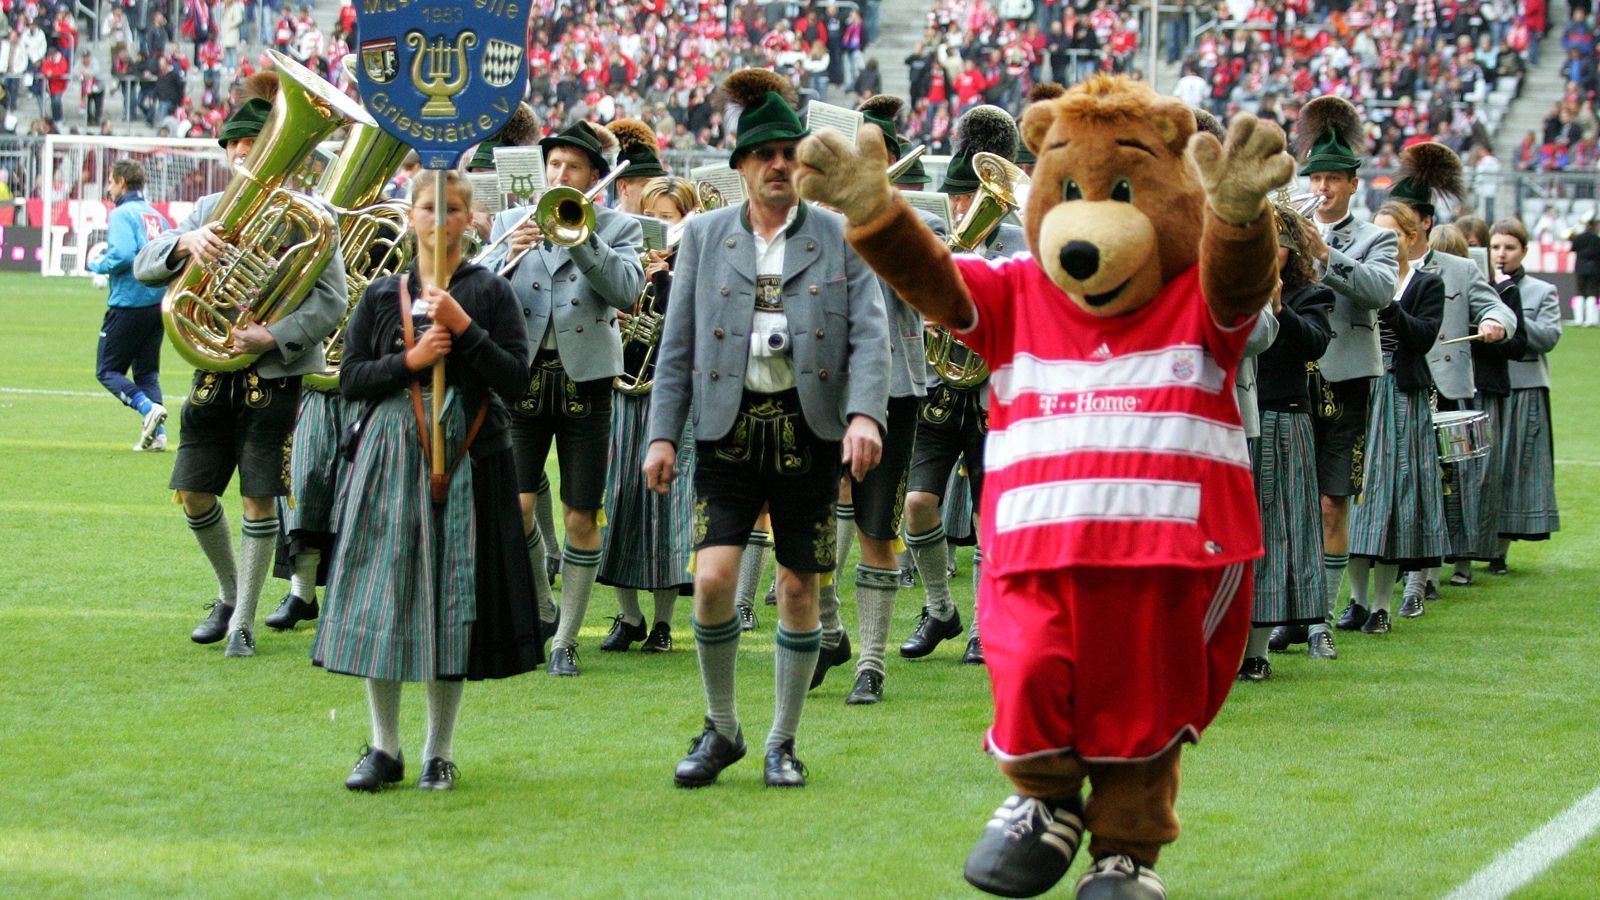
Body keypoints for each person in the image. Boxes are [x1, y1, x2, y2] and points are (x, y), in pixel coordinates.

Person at [644, 68, 889, 788]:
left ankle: (783, 740)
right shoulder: (704, 234)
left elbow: (871, 336)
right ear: (743, 166)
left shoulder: (839, 234)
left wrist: (866, 414)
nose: (779, 165)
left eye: (790, 153)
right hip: (727, 428)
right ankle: (722, 728)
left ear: (803, 163)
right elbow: (677, 344)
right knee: (715, 578)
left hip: (809, 431)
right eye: (765, 155)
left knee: (798, 589)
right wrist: (662, 434)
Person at [315, 170, 540, 792]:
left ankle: (438, 751)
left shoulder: (490, 292)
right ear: (409, 216)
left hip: (468, 458)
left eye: (453, 209)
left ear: (471, 220)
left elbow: (517, 381)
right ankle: (384, 746)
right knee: (381, 595)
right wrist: (409, 362)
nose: (439, 219)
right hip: (390, 458)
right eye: (427, 208)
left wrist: (465, 329)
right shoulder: (381, 295)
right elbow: (351, 378)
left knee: (451, 598)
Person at [133, 74, 347, 657]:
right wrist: (186, 245)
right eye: (240, 151)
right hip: (212, 373)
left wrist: (272, 333)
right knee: (195, 492)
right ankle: (231, 594)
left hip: (273, 375)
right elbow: (145, 263)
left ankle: (245, 621)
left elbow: (333, 301)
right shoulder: (208, 208)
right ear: (229, 153)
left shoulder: (313, 215)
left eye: (260, 150)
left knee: (258, 496)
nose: (246, 159)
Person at [484, 120, 645, 677]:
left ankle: (566, 639)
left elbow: (626, 290)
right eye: (553, 165)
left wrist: (583, 240)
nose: (559, 173)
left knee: (580, 515)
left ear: (593, 177)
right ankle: (543, 605)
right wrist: (507, 251)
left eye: (571, 167)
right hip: (523, 376)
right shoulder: (512, 221)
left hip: (587, 380)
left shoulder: (619, 227)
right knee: (519, 505)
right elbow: (471, 286)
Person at [813, 94, 946, 706]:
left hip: (892, 387)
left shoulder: (921, 218)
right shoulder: (811, 218)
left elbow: (923, 295)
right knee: (810, 522)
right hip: (818, 385)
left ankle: (871, 661)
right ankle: (831, 632)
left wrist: (877, 222)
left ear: (890, 158)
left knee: (876, 528)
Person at [897, 108, 1026, 670]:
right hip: (940, 392)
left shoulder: (1020, 241)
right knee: (918, 504)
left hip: (992, 395)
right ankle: (940, 607)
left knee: (986, 519)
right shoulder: (934, 242)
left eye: (970, 196)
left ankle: (983, 624)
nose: (960, 207)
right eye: (954, 197)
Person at [1382, 142, 1517, 608]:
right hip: (1387, 391)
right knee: (1396, 486)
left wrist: (1497, 323)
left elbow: (1495, 304)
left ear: (1423, 223)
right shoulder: (1374, 264)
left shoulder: (1458, 269)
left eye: (1400, 222)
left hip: (1444, 390)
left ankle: (1430, 573)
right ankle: (1399, 570)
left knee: (1447, 487)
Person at [1293, 96, 1399, 649]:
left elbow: (1381, 291)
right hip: (1292, 377)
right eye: (1317, 179)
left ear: (1353, 185)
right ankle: (1290, 608)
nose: (1324, 190)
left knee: (1335, 498)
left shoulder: (1376, 238)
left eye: (1334, 180)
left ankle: (1322, 618)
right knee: (1291, 499)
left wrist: (1327, 257)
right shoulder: (1289, 220)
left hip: (1349, 377)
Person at [594, 153, 693, 655]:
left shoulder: (689, 271)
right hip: (623, 393)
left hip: (667, 400)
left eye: (669, 220)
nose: (659, 231)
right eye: (650, 220)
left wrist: (664, 278)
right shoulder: (625, 263)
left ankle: (663, 622)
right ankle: (628, 615)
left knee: (665, 509)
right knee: (620, 502)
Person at [1338, 201, 1446, 634]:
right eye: (1378, 233)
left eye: (1394, 234)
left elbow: (1421, 337)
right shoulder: (1363, 277)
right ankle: (1357, 601)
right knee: (1355, 499)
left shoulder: (1426, 285)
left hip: (1400, 394)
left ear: (1411, 237)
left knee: (1393, 500)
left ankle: (1383, 604)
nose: (1386, 240)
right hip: (1361, 389)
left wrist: (1388, 304)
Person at [1238, 206, 1334, 679]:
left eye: (1273, 242)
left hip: (1282, 420)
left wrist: (1279, 308)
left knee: (1273, 535)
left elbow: (1316, 343)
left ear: (1291, 250)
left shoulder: (1310, 293)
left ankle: (1258, 652)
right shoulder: (1232, 285)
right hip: (1239, 423)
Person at [1488, 219, 1562, 571]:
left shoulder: (1541, 291)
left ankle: (1501, 550)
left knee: (1516, 469)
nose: (1502, 254)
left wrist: (1512, 315)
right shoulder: (1482, 286)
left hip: (1525, 386)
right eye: (1496, 246)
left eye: (1510, 247)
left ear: (1524, 251)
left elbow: (1548, 337)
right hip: (1487, 385)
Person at [89, 159, 173, 452]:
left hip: (129, 303)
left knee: (107, 370)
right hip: (156, 303)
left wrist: (97, 264)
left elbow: (122, 255)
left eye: (111, 182)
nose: (109, 188)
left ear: (122, 182)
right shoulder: (156, 216)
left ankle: (147, 408)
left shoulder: (123, 214)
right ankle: (158, 435)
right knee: (147, 372)